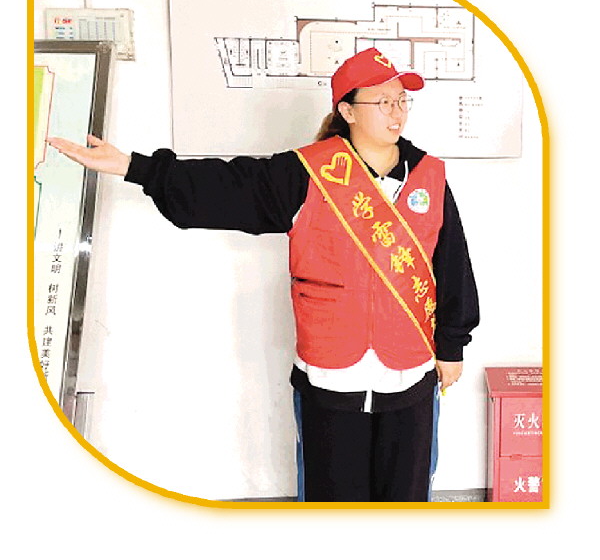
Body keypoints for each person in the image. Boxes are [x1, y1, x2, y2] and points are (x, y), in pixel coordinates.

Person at [48, 47, 479, 502]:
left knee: (406, 497)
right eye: (383, 101)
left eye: (402, 100)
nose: (397, 112)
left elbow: (452, 263)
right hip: (331, 371)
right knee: (334, 500)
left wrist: (451, 345)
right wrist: (134, 167)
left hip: (409, 368)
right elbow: (226, 185)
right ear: (347, 111)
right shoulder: (306, 173)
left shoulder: (429, 176)